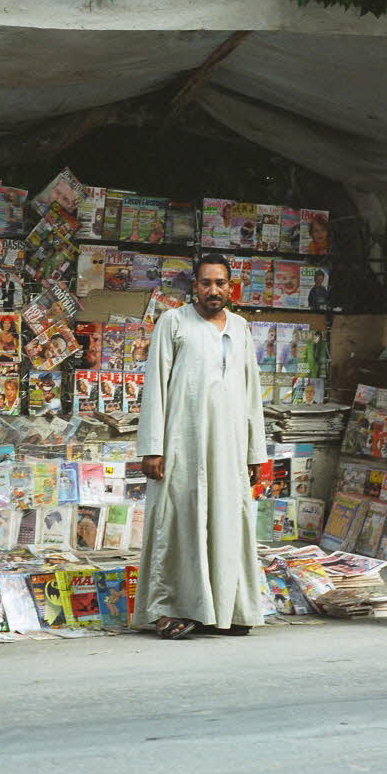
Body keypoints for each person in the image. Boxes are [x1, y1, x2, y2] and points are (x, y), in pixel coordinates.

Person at [133, 253, 267, 639]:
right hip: (183, 441)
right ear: (194, 286)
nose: (213, 290)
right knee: (179, 522)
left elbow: (251, 394)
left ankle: (226, 610)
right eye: (206, 283)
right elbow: (156, 386)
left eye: (220, 283)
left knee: (228, 520)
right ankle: (172, 608)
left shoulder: (241, 328)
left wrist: (255, 452)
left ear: (231, 286)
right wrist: (152, 447)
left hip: (229, 446)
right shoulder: (173, 323)